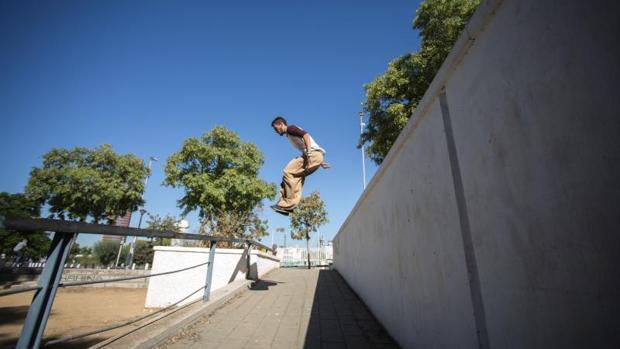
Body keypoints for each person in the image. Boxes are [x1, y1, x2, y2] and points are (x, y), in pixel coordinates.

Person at [270, 116, 329, 216]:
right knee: (296, 178)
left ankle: (287, 204)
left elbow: (306, 135)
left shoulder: (291, 129)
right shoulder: (289, 135)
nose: (276, 132)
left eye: (275, 128)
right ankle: (288, 206)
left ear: (280, 124)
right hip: (316, 157)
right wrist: (320, 162)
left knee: (288, 171)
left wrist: (310, 152)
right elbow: (305, 144)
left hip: (312, 155)